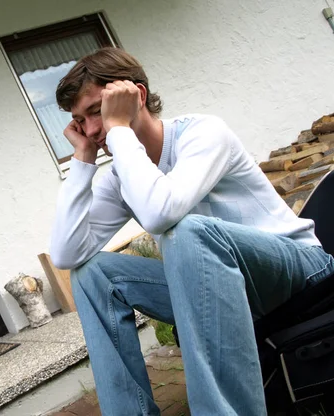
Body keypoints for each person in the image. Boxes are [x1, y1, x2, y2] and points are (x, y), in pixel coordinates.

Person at [49, 48, 334, 416]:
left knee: (186, 231)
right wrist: (83, 161)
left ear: (135, 96)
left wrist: (118, 128)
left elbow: (160, 214)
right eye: (79, 120)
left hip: (298, 271)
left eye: (96, 112)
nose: (90, 129)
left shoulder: (202, 133)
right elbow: (66, 254)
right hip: (219, 286)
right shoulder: (123, 174)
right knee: (91, 274)